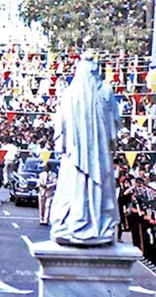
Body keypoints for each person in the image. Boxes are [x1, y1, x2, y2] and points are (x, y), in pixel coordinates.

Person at [49, 51, 121, 245]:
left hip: (77, 155)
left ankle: (79, 225)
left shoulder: (70, 94)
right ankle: (93, 225)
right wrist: (111, 146)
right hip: (93, 155)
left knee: (74, 188)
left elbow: (60, 128)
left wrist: (62, 146)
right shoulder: (105, 92)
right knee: (88, 189)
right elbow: (114, 125)